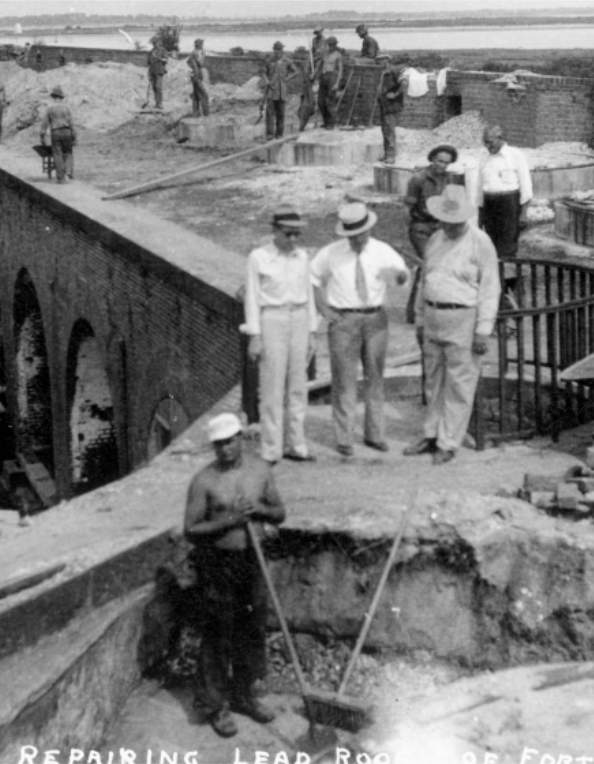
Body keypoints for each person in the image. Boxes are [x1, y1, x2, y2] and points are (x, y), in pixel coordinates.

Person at [184, 413, 286, 739]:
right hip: (217, 563)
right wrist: (229, 519)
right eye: (219, 444)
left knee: (251, 629)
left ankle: (243, 694)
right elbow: (192, 529)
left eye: (230, 441)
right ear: (213, 447)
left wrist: (258, 512)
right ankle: (216, 705)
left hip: (251, 560)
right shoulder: (204, 481)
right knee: (218, 632)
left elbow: (280, 512)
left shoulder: (260, 471)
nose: (226, 449)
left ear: (241, 438)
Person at [404, 186, 501, 465]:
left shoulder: (480, 242)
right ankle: (431, 433)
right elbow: (426, 280)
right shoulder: (435, 239)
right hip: (434, 317)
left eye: (456, 222)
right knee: (433, 380)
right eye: (446, 221)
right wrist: (421, 319)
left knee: (459, 383)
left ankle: (449, 441)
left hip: (463, 319)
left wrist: (483, 329)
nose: (451, 227)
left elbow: (490, 288)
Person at [311, 200, 410, 456]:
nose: (357, 239)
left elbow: (402, 275)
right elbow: (311, 279)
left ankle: (375, 435)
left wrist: (397, 277)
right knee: (344, 381)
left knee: (375, 378)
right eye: (352, 235)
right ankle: (344, 438)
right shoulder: (330, 253)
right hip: (343, 322)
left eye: (361, 234)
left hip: (375, 320)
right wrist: (323, 309)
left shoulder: (382, 250)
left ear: (369, 229)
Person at [242, 206, 318, 464]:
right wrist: (255, 334)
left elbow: (309, 294)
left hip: (298, 317)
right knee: (272, 386)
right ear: (275, 232)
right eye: (288, 234)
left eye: (297, 234)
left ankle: (296, 445)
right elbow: (252, 298)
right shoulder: (259, 257)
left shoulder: (302, 257)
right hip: (271, 318)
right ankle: (271, 449)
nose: (293, 240)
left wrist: (311, 332)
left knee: (298, 385)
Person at [468, 125, 532, 302]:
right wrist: (480, 220)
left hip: (509, 207)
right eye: (485, 143)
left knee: (508, 250)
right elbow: (480, 191)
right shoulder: (484, 160)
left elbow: (526, 187)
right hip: (490, 207)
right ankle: (499, 289)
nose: (487, 146)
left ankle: (515, 290)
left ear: (500, 138)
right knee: (491, 249)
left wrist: (523, 214)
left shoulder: (515, 156)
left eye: (490, 142)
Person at [402, 145, 456, 322]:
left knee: (433, 267)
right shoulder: (418, 179)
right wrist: (412, 228)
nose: (442, 165)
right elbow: (407, 208)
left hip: (440, 229)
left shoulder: (449, 178)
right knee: (429, 264)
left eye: (446, 163)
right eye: (440, 161)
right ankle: (415, 312)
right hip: (421, 228)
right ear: (432, 159)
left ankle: (425, 310)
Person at [262, 42, 298, 139]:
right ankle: (269, 134)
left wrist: (287, 79)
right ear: (274, 50)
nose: (278, 51)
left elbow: (295, 71)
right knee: (270, 113)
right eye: (276, 49)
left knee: (281, 114)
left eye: (279, 49)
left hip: (282, 91)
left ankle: (279, 134)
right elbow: (264, 72)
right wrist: (266, 81)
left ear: (282, 50)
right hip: (272, 91)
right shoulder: (269, 61)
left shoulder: (287, 61)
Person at [39, 86, 75, 183]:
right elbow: (71, 123)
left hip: (56, 132)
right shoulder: (67, 107)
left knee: (57, 154)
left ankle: (61, 178)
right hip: (67, 131)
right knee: (68, 152)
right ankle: (68, 170)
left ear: (53, 97)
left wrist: (42, 136)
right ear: (61, 97)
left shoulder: (49, 108)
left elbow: (44, 124)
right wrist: (74, 136)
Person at [376, 55, 406, 163]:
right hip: (384, 105)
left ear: (387, 60)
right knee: (385, 130)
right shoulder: (382, 73)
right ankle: (387, 154)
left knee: (389, 130)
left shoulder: (394, 71)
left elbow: (404, 83)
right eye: (378, 61)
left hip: (391, 105)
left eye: (382, 60)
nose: (380, 62)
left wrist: (395, 94)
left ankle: (391, 156)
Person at [317, 37, 344, 130]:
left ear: (336, 45)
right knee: (320, 102)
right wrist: (315, 75)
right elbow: (319, 66)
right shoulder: (324, 54)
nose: (331, 46)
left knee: (330, 102)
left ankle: (332, 123)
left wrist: (337, 83)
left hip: (332, 77)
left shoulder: (338, 55)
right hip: (323, 77)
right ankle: (326, 121)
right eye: (329, 44)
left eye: (333, 44)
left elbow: (340, 70)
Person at [189, 38, 210, 117]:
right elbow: (200, 64)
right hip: (196, 76)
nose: (203, 45)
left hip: (196, 75)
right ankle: (206, 113)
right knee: (204, 95)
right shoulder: (195, 53)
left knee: (196, 95)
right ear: (199, 45)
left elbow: (188, 62)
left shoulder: (195, 53)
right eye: (202, 44)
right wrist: (203, 55)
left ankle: (196, 113)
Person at [147, 37, 168, 109]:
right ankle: (157, 103)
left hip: (159, 71)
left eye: (155, 42)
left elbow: (166, 60)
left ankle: (160, 103)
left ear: (159, 42)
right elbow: (149, 63)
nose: (154, 44)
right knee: (154, 88)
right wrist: (149, 73)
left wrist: (159, 58)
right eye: (153, 43)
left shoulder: (163, 50)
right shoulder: (151, 51)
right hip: (152, 71)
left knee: (158, 87)